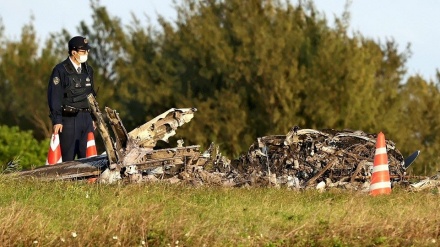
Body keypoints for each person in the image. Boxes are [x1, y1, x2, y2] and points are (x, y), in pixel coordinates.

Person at [47, 36, 96, 162]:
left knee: (88, 159)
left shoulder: (88, 70)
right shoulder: (60, 70)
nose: (86, 54)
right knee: (68, 159)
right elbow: (54, 96)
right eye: (83, 51)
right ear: (73, 52)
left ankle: (86, 182)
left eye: (87, 51)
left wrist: (94, 117)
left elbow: (91, 94)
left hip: (86, 118)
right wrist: (57, 119)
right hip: (69, 119)